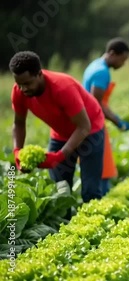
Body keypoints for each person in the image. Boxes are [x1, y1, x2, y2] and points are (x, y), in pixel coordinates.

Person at [10, 51, 105, 204]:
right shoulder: (19, 92)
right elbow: (19, 123)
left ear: (39, 74)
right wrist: (17, 151)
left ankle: (93, 218)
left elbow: (84, 127)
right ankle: (66, 224)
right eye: (19, 84)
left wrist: (60, 156)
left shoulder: (62, 88)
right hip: (60, 134)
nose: (23, 89)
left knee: (90, 190)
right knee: (59, 190)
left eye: (27, 83)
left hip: (91, 131)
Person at [82, 37, 129, 195]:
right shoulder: (102, 72)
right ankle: (98, 199)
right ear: (112, 54)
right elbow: (96, 103)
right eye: (122, 60)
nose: (123, 64)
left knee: (97, 165)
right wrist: (118, 122)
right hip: (93, 125)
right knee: (100, 166)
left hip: (88, 122)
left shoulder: (94, 65)